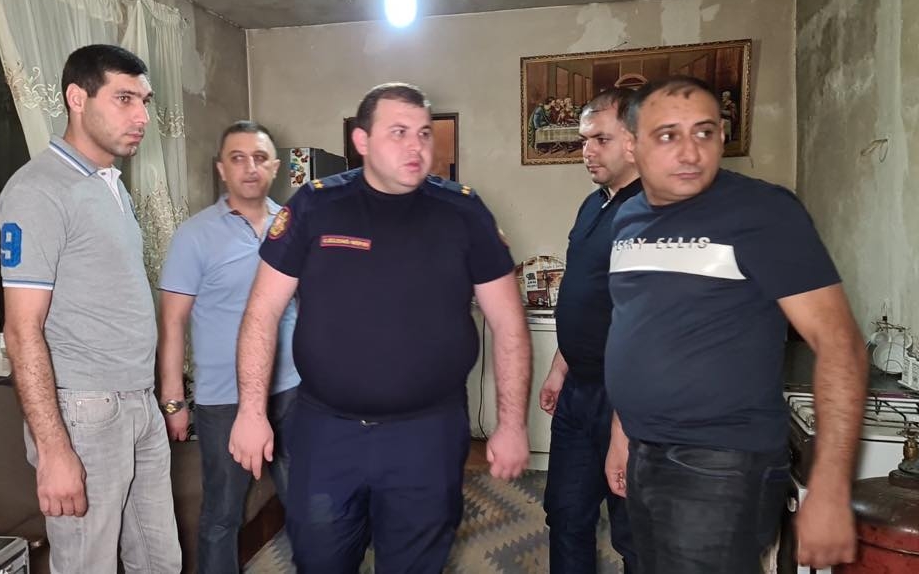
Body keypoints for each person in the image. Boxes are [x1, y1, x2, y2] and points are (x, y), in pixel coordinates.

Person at [229, 82, 532, 573]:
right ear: (362, 141)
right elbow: (261, 312)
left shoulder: (464, 212)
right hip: (327, 433)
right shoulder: (315, 206)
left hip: (427, 435)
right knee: (320, 560)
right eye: (398, 132)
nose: (416, 147)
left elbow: (509, 323)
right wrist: (250, 411)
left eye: (424, 133)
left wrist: (512, 424)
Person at [603, 76, 867, 573]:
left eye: (704, 132)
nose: (691, 152)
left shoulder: (763, 212)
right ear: (632, 145)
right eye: (668, 135)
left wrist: (831, 487)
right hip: (645, 449)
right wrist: (622, 431)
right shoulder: (628, 218)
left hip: (722, 463)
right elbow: (637, 328)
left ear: (723, 136)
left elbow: (840, 345)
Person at [0, 44, 181, 573]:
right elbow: (21, 329)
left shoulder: (109, 186)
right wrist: (54, 450)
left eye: (144, 101)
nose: (141, 116)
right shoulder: (38, 190)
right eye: (124, 99)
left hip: (138, 400)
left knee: (160, 563)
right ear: (77, 99)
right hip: (85, 409)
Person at [157, 120, 300, 573]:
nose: (249, 167)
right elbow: (172, 322)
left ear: (274, 167)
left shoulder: (292, 227)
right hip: (224, 399)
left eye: (259, 158)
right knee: (222, 514)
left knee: (308, 505)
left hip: (292, 390)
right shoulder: (195, 235)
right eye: (238, 158)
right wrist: (174, 400)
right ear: (222, 169)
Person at [539, 87, 639, 574]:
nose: (587, 151)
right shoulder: (591, 205)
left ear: (634, 141)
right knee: (565, 512)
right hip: (579, 390)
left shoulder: (653, 212)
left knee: (634, 528)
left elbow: (645, 322)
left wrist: (624, 422)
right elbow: (586, 295)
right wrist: (560, 367)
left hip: (628, 397)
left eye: (601, 139)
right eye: (583, 140)